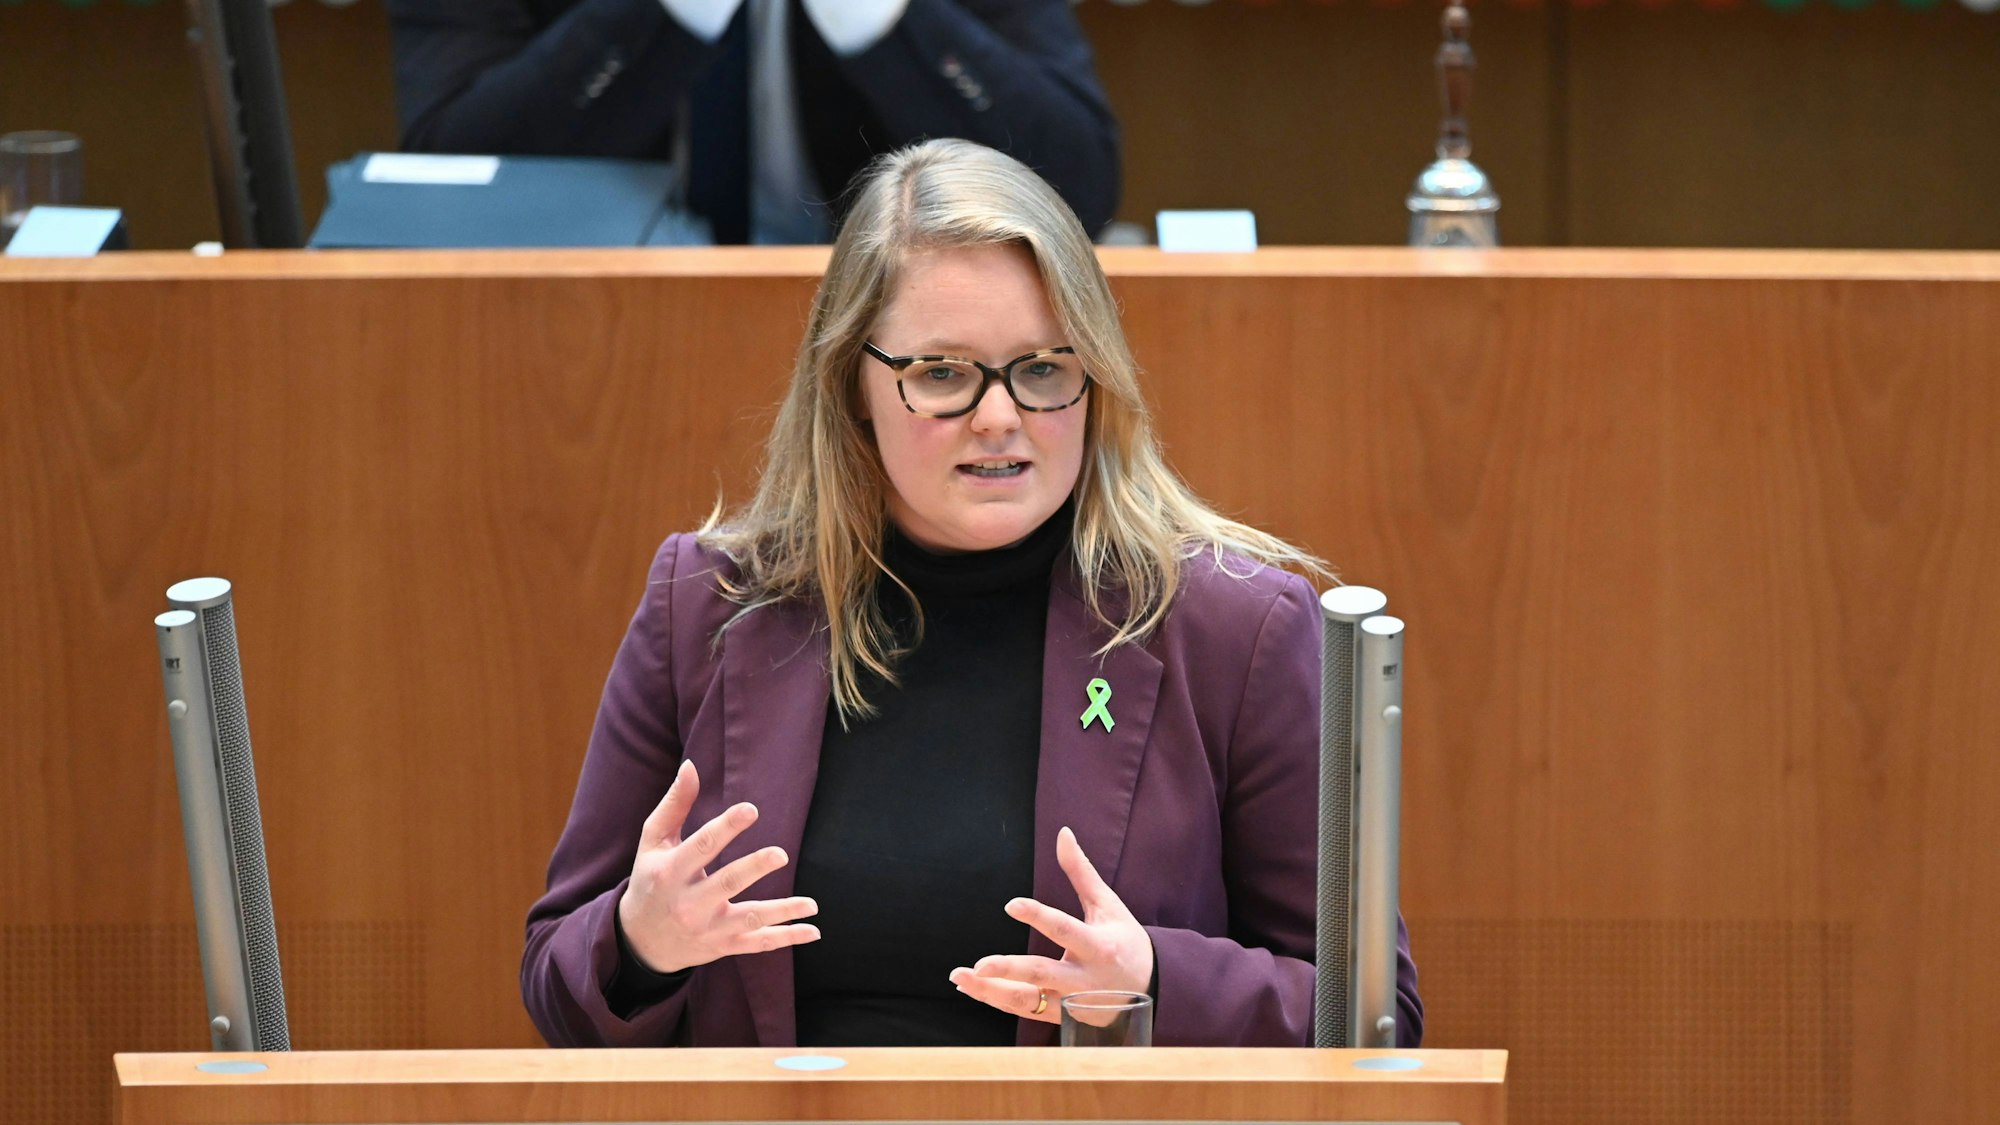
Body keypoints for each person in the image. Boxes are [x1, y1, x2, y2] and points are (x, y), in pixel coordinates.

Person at [521, 138, 1423, 1048]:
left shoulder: (1233, 627)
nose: (1000, 417)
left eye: (1041, 368)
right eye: (942, 374)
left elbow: (1373, 1019)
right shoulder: (710, 605)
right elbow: (557, 980)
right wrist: (642, 943)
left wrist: (1151, 981)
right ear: (852, 387)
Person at [385, 0, 1121, 243]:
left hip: (883, 343)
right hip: (583, 333)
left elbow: (1073, 187)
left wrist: (876, 17)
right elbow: (455, 176)